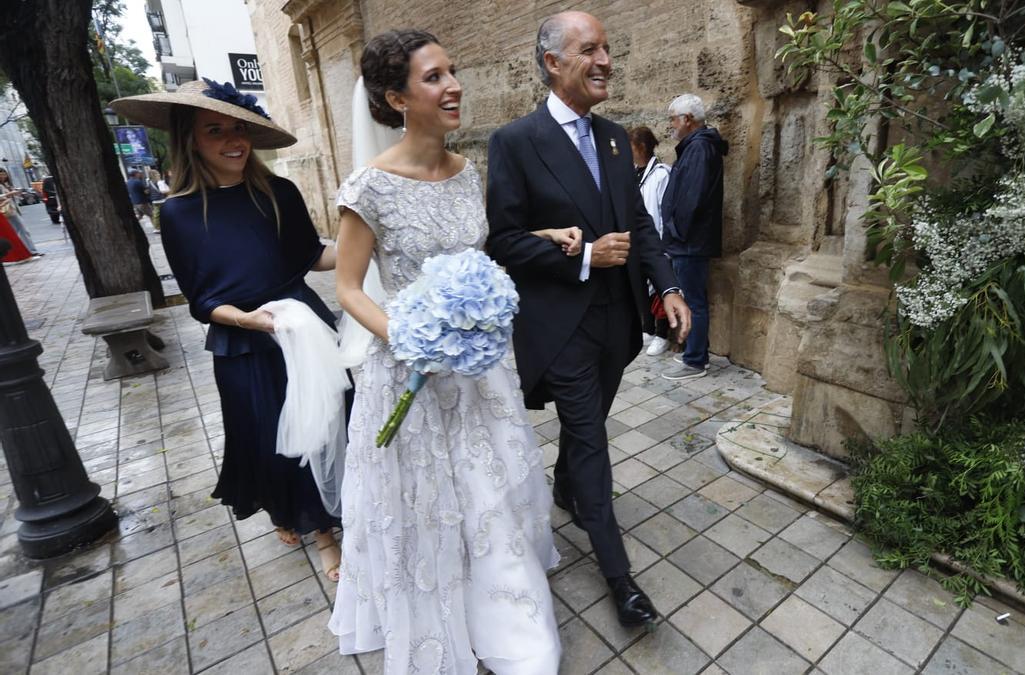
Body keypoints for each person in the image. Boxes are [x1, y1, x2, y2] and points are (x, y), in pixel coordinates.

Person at [329, 30, 565, 674]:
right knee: (428, 501)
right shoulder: (368, 188)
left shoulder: (468, 172)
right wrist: (406, 337)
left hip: (479, 370)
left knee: (489, 492)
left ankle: (508, 618)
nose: (453, 84)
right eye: (433, 77)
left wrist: (540, 239)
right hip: (410, 366)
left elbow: (474, 258)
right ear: (396, 98)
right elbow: (348, 287)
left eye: (452, 71)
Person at [486, 11, 691, 628]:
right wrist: (581, 256)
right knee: (594, 443)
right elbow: (503, 241)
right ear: (553, 62)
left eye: (608, 49)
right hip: (563, 325)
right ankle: (620, 578)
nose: (605, 61)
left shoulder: (611, 136)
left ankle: (564, 486)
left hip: (619, 325)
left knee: (587, 427)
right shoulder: (516, 142)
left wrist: (669, 285)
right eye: (590, 50)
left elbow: (640, 226)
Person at [110, 79, 346, 580]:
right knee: (268, 436)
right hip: (244, 341)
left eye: (238, 128)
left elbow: (311, 256)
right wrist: (247, 319)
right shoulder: (176, 213)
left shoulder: (278, 191)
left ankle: (328, 516)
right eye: (215, 130)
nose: (232, 139)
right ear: (190, 140)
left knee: (328, 424)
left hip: (305, 331)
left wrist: (361, 244)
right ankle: (307, 524)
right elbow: (202, 300)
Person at [659, 93, 728, 381]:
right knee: (693, 298)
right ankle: (696, 353)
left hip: (689, 242)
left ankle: (696, 360)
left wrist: (676, 231)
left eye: (673, 118)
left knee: (694, 301)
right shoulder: (696, 147)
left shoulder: (699, 149)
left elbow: (692, 198)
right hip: (689, 240)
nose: (671, 125)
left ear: (687, 120)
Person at [629, 126, 672, 356]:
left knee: (659, 289)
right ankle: (646, 328)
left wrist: (664, 246)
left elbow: (665, 212)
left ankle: (662, 334)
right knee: (641, 285)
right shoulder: (634, 173)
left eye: (631, 147)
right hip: (637, 241)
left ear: (642, 147)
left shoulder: (662, 174)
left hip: (656, 241)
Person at [0, 168, 41, 257]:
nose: (3, 176)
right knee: (22, 231)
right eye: (1, 174)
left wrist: (16, 194)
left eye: (4, 174)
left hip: (12, 210)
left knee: (19, 231)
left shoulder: (6, 184)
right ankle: (30, 251)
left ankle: (26, 251)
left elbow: (12, 198)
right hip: (7, 211)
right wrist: (9, 194)